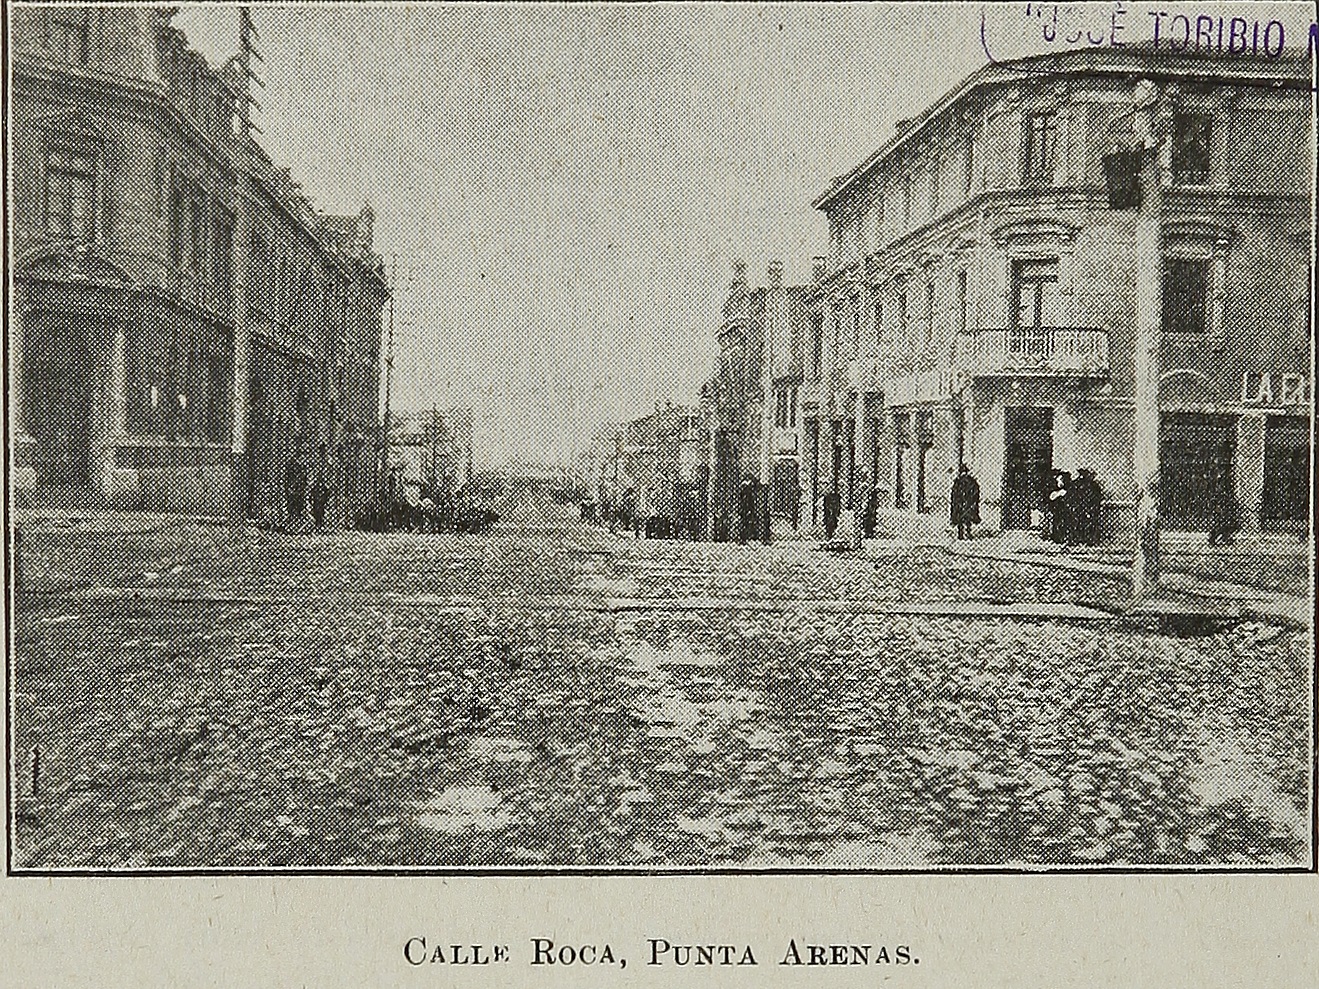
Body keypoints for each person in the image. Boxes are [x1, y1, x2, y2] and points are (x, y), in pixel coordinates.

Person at [1207, 459, 1242, 546]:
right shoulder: (1223, 479)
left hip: (1225, 502)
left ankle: (1225, 537)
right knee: (1221, 521)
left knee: (1225, 521)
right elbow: (1220, 492)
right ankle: (1215, 538)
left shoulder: (1225, 478)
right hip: (1223, 502)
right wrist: (1218, 504)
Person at [950, 463, 980, 540]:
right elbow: (976, 491)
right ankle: (967, 533)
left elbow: (954, 493)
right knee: (967, 519)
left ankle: (961, 534)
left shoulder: (958, 481)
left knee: (961, 519)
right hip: (967, 503)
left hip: (961, 503)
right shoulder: (971, 481)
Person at [1073, 468, 1102, 546]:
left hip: (1089, 508)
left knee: (1089, 524)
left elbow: (1096, 498)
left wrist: (1091, 509)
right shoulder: (1077, 484)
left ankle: (1090, 540)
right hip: (1080, 508)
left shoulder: (1094, 486)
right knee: (1079, 523)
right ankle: (1080, 540)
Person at [283, 445, 308, 528]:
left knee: (298, 506)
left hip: (299, 489)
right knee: (293, 505)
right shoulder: (292, 464)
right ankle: (293, 523)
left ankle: (296, 523)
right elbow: (287, 477)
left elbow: (304, 479)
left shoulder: (302, 465)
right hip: (293, 489)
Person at [1045, 470, 1071, 544]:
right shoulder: (1056, 491)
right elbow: (1051, 497)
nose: (1058, 482)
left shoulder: (1067, 490)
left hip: (1066, 512)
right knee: (1057, 523)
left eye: (1059, 481)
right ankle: (1057, 538)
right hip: (1058, 512)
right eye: (1057, 481)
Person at [309, 443, 330, 531]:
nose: (323, 452)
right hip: (317, 484)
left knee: (322, 504)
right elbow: (314, 473)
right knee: (316, 503)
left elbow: (329, 473)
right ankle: (317, 522)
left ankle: (321, 522)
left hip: (324, 485)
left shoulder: (328, 461)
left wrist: (327, 483)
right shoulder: (316, 461)